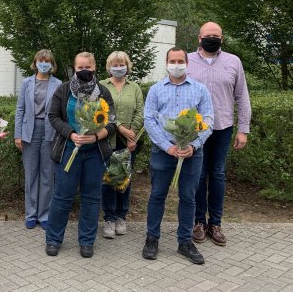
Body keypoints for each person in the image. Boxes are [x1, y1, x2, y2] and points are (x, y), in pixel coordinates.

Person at [142, 47, 213, 265]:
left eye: (180, 60)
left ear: (186, 63)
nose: (176, 64)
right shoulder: (155, 90)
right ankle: (152, 238)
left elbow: (209, 120)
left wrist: (194, 144)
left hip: (192, 153)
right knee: (157, 195)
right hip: (164, 152)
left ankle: (184, 242)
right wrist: (166, 146)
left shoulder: (200, 89)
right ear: (166, 62)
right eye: (172, 60)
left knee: (188, 198)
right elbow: (149, 120)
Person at [45, 52, 117, 258]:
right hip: (69, 149)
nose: (83, 71)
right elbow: (53, 116)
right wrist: (71, 134)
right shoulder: (63, 89)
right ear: (74, 68)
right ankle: (53, 239)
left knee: (92, 197)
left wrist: (95, 137)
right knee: (62, 196)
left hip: (94, 152)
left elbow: (112, 121)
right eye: (79, 68)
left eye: (87, 67)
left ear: (94, 67)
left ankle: (87, 241)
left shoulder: (103, 91)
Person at [187, 22, 251, 246]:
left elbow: (242, 97)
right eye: (208, 35)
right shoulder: (187, 61)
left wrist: (243, 129)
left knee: (217, 174)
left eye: (216, 35)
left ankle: (215, 223)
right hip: (195, 129)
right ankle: (198, 221)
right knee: (198, 174)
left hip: (223, 127)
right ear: (199, 38)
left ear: (222, 39)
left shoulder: (233, 62)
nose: (212, 38)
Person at [14, 49, 62, 229]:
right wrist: (17, 134)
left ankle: (45, 215)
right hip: (29, 131)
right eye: (41, 60)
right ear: (35, 62)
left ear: (52, 64)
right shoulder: (27, 82)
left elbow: (60, 111)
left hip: (50, 131)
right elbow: (20, 109)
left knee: (47, 176)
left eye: (47, 60)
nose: (44, 63)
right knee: (31, 174)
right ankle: (31, 214)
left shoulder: (57, 84)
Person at [100, 51, 144, 239]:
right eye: (115, 64)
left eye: (122, 64)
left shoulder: (134, 87)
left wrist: (131, 134)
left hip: (129, 142)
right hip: (106, 139)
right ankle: (109, 218)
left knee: (125, 179)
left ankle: (121, 216)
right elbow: (100, 110)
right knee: (108, 179)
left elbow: (141, 111)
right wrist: (119, 127)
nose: (119, 67)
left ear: (128, 65)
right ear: (109, 66)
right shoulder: (101, 85)